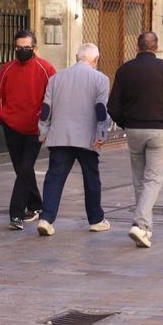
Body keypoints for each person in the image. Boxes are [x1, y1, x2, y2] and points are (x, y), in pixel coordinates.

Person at [108, 32, 163, 249]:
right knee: (153, 179)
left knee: (139, 180)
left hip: (134, 129)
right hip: (160, 130)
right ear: (156, 47)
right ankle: (140, 223)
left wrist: (126, 123)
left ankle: (145, 229)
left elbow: (113, 106)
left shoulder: (125, 70)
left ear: (137, 47)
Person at [35, 43, 111, 236]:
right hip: (87, 138)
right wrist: (101, 135)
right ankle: (96, 220)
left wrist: (43, 131)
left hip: (60, 136)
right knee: (91, 179)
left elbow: (46, 108)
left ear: (77, 58)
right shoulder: (101, 79)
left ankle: (46, 218)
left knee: (54, 177)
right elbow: (101, 110)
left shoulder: (56, 78)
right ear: (95, 60)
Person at [0, 29, 56, 230]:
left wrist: (47, 125)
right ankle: (36, 204)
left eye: (26, 47)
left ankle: (16, 214)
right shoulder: (7, 68)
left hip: (35, 128)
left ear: (35, 48)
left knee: (24, 168)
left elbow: (53, 99)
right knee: (21, 168)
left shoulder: (46, 69)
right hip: (11, 126)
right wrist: (1, 117)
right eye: (18, 47)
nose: (22, 51)